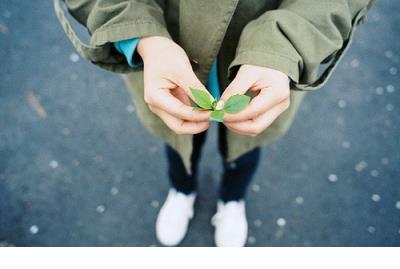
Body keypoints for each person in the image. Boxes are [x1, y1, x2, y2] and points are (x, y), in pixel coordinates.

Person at [54, 0, 376, 246]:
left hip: (262, 69)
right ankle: (182, 191)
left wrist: (287, 43)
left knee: (245, 147)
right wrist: (141, 36)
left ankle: (232, 200)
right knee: (179, 140)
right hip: (166, 56)